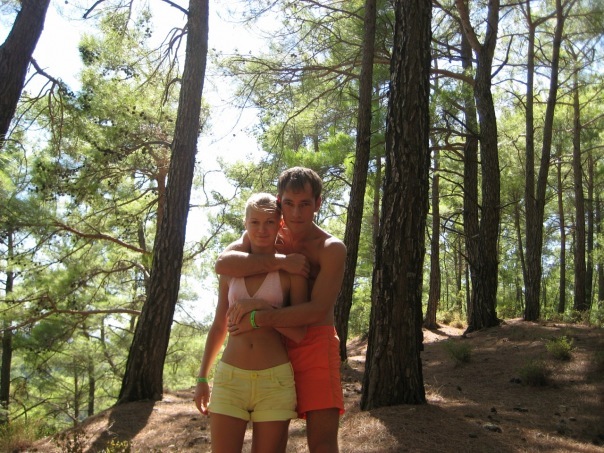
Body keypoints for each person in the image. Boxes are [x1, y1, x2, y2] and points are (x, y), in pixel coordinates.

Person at [215, 167, 347, 453]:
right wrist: (280, 262)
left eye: (305, 204)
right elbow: (223, 263)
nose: (296, 213)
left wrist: (259, 316)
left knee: (322, 444)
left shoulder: (330, 248)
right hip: (272, 347)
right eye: (289, 203)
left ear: (318, 203)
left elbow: (317, 309)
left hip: (313, 345)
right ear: (279, 202)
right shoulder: (270, 229)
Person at [194, 193, 307, 453]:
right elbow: (219, 325)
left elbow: (299, 332)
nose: (261, 229)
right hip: (230, 378)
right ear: (245, 224)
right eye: (254, 222)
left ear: (280, 224)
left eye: (269, 222)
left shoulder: (291, 270)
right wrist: (202, 377)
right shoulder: (230, 270)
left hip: (274, 381)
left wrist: (262, 307)